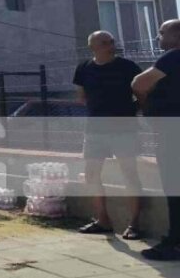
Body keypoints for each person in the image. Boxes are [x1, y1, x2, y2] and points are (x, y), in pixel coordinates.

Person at [73, 31, 145, 239]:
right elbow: (81, 97)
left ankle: (134, 224)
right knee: (91, 174)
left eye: (112, 41)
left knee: (129, 174)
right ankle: (103, 220)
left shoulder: (128, 67)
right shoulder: (84, 68)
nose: (110, 45)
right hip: (95, 129)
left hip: (124, 129)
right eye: (105, 42)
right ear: (93, 47)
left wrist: (134, 110)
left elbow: (142, 93)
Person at [132, 19, 180, 261]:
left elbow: (138, 83)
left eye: (162, 33)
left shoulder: (173, 56)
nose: (158, 38)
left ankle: (175, 243)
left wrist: (145, 104)